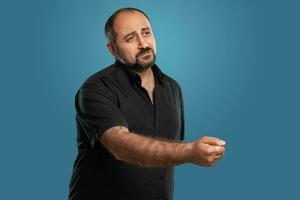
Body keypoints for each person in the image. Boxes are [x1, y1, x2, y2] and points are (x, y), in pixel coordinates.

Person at [69, 7, 226, 200]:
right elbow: (121, 146)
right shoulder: (95, 88)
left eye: (146, 33)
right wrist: (190, 151)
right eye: (130, 38)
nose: (143, 43)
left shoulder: (172, 88)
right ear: (112, 49)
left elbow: (168, 150)